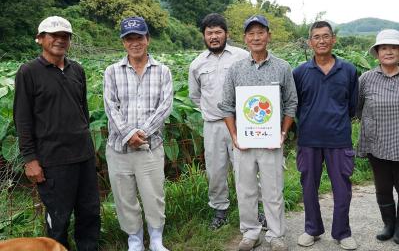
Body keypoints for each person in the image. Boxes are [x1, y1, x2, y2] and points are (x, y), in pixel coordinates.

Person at [14, 16, 100, 250]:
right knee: (58, 219)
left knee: (90, 212)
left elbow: (83, 109)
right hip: (53, 159)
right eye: (53, 35)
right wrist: (30, 159)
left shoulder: (77, 70)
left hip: (83, 155)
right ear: (40, 39)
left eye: (65, 36)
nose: (60, 40)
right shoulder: (28, 72)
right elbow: (22, 118)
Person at [218, 15, 298, 251]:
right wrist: (234, 136)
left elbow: (291, 103)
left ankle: (275, 235)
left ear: (269, 36)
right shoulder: (236, 69)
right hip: (244, 142)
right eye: (251, 33)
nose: (256, 37)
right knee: (245, 189)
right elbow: (227, 106)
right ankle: (250, 233)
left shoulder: (282, 67)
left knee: (273, 191)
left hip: (272, 142)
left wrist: (283, 132)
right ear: (245, 38)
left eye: (260, 32)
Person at [103, 16, 173, 251]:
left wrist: (140, 133)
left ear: (148, 39)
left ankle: (155, 239)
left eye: (139, 37)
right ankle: (134, 240)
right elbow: (110, 106)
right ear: (123, 42)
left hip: (149, 146)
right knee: (125, 198)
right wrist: (127, 134)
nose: (135, 43)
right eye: (129, 38)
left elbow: (165, 106)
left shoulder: (162, 71)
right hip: (118, 148)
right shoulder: (112, 71)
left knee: (153, 195)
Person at [356, 29, 399, 245]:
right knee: (383, 187)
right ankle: (388, 224)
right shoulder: (366, 79)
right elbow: (359, 109)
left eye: (393, 47)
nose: (388, 52)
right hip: (376, 143)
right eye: (383, 48)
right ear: (377, 53)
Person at [293, 21, 358, 250]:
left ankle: (342, 232)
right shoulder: (300, 72)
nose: (321, 41)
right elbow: (296, 106)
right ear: (310, 42)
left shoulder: (348, 70)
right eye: (316, 37)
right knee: (309, 187)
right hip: (308, 139)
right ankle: (312, 229)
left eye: (325, 36)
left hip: (339, 139)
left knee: (342, 189)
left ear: (333, 39)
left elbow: (352, 106)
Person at [188, 13, 249, 229]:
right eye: (209, 33)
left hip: (242, 124)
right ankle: (219, 209)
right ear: (204, 36)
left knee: (246, 168)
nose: (214, 36)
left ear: (226, 34)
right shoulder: (197, 64)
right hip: (213, 125)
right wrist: (211, 109)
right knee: (215, 170)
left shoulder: (242, 56)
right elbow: (195, 96)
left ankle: (253, 209)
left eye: (218, 32)